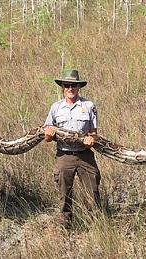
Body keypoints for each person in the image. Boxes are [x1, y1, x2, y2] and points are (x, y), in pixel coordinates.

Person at [44, 69, 101, 229]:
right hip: (64, 155)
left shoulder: (89, 106)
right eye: (67, 85)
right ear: (62, 87)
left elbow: (95, 134)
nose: (70, 88)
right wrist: (48, 134)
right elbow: (47, 137)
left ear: (79, 87)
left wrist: (92, 139)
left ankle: (96, 226)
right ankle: (65, 227)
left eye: (74, 85)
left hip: (85, 155)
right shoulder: (56, 108)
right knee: (64, 194)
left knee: (93, 192)